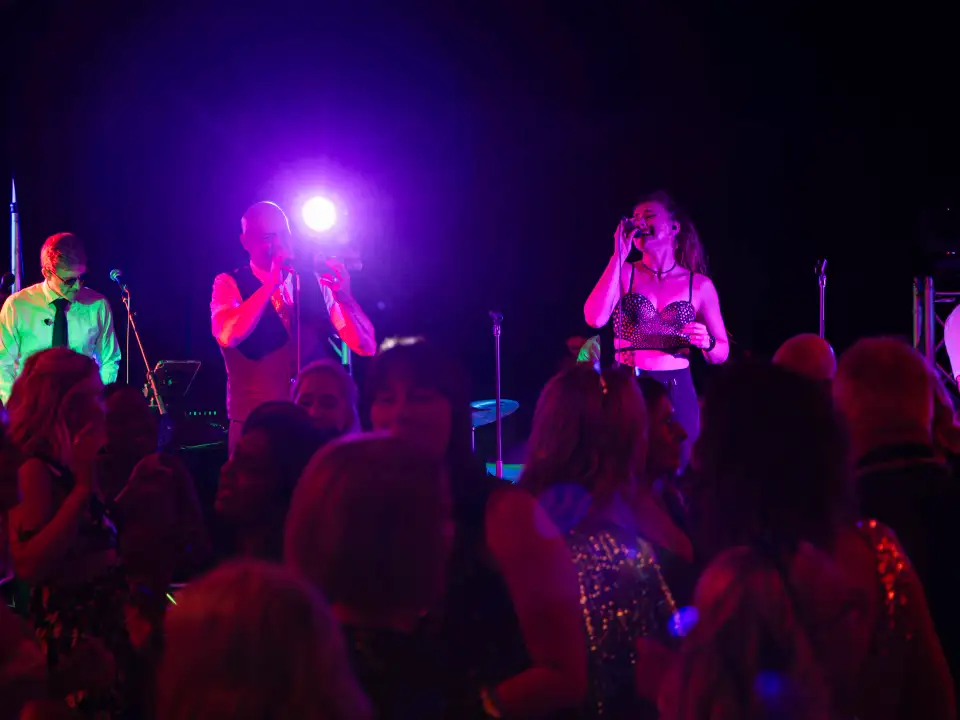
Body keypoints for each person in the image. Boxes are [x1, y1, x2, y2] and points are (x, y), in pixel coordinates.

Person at [210, 201, 376, 454]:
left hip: (313, 427)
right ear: (246, 242)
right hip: (256, 430)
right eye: (268, 237)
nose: (279, 245)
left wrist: (345, 297)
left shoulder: (313, 282)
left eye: (284, 235)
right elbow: (228, 335)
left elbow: (365, 346)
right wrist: (269, 286)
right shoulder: (228, 283)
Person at [584, 191, 729, 470]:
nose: (639, 223)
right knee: (624, 470)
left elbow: (721, 352)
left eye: (648, 216)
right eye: (635, 218)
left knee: (676, 469)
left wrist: (707, 342)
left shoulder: (698, 286)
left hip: (676, 387)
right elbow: (594, 318)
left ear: (674, 228)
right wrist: (618, 255)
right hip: (628, 384)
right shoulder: (626, 272)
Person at [0, 233, 120, 405]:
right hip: (31, 408)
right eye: (69, 280)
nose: (78, 286)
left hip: (81, 411)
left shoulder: (97, 305)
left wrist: (96, 401)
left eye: (82, 277)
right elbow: (3, 363)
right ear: (47, 273)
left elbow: (109, 359)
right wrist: (15, 407)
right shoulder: (17, 306)